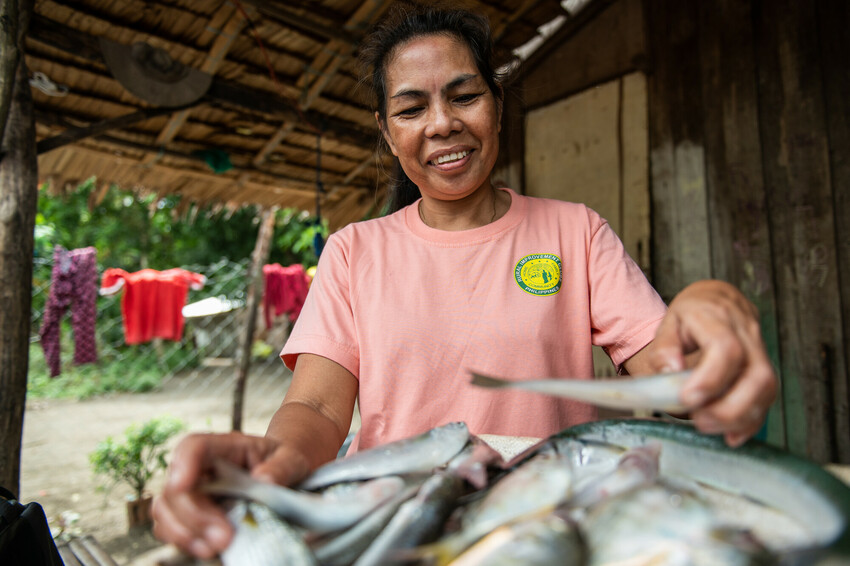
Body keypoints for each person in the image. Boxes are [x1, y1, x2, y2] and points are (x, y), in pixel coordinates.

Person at [151, 4, 777, 558]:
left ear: (497, 106)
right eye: (412, 107)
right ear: (386, 131)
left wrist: (708, 305)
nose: (442, 123)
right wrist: (276, 462)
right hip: (402, 532)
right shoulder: (353, 252)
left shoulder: (575, 233)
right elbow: (317, 405)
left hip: (548, 530)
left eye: (464, 96)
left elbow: (668, 376)